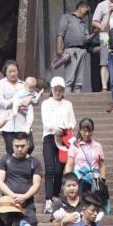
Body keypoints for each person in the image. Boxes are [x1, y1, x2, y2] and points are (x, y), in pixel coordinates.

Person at [41, 73, 77, 211]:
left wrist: (66, 128)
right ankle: (48, 199)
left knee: (59, 169)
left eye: (60, 89)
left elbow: (73, 121)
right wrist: (54, 128)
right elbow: (46, 121)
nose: (57, 92)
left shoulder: (68, 104)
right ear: (51, 89)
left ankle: (55, 196)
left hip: (64, 138)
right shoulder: (46, 103)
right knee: (49, 168)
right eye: (55, 89)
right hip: (50, 136)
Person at [0, 129, 42, 226]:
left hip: (27, 202)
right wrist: (12, 195)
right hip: (7, 200)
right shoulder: (5, 159)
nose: (19, 149)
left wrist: (25, 196)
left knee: (32, 223)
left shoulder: (34, 162)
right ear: (12, 144)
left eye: (22, 146)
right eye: (17, 146)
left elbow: (36, 184)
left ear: (28, 144)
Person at [0, 63, 42, 156]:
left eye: (14, 71)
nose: (12, 73)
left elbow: (35, 101)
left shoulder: (25, 84)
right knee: (10, 149)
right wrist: (15, 103)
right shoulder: (1, 85)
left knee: (30, 146)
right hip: (8, 121)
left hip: (22, 120)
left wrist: (30, 100)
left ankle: (24, 165)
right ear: (6, 72)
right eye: (10, 71)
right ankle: (12, 168)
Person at [64, 118, 107, 207]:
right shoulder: (75, 145)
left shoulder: (98, 146)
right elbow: (69, 164)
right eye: (84, 131)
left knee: (95, 205)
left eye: (89, 131)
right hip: (80, 179)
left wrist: (102, 180)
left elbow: (101, 165)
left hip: (95, 180)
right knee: (82, 205)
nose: (87, 134)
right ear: (80, 130)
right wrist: (67, 180)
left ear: (92, 130)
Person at [55, 0, 94, 93]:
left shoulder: (83, 23)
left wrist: (94, 34)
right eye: (86, 11)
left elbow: (86, 39)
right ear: (81, 8)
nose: (87, 14)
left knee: (79, 81)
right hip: (70, 50)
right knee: (69, 77)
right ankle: (67, 97)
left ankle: (78, 96)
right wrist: (59, 48)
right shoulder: (66, 17)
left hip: (82, 51)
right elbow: (60, 33)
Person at [91, 0, 113, 94]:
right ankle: (104, 87)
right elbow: (94, 22)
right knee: (104, 62)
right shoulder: (102, 5)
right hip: (105, 36)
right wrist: (103, 27)